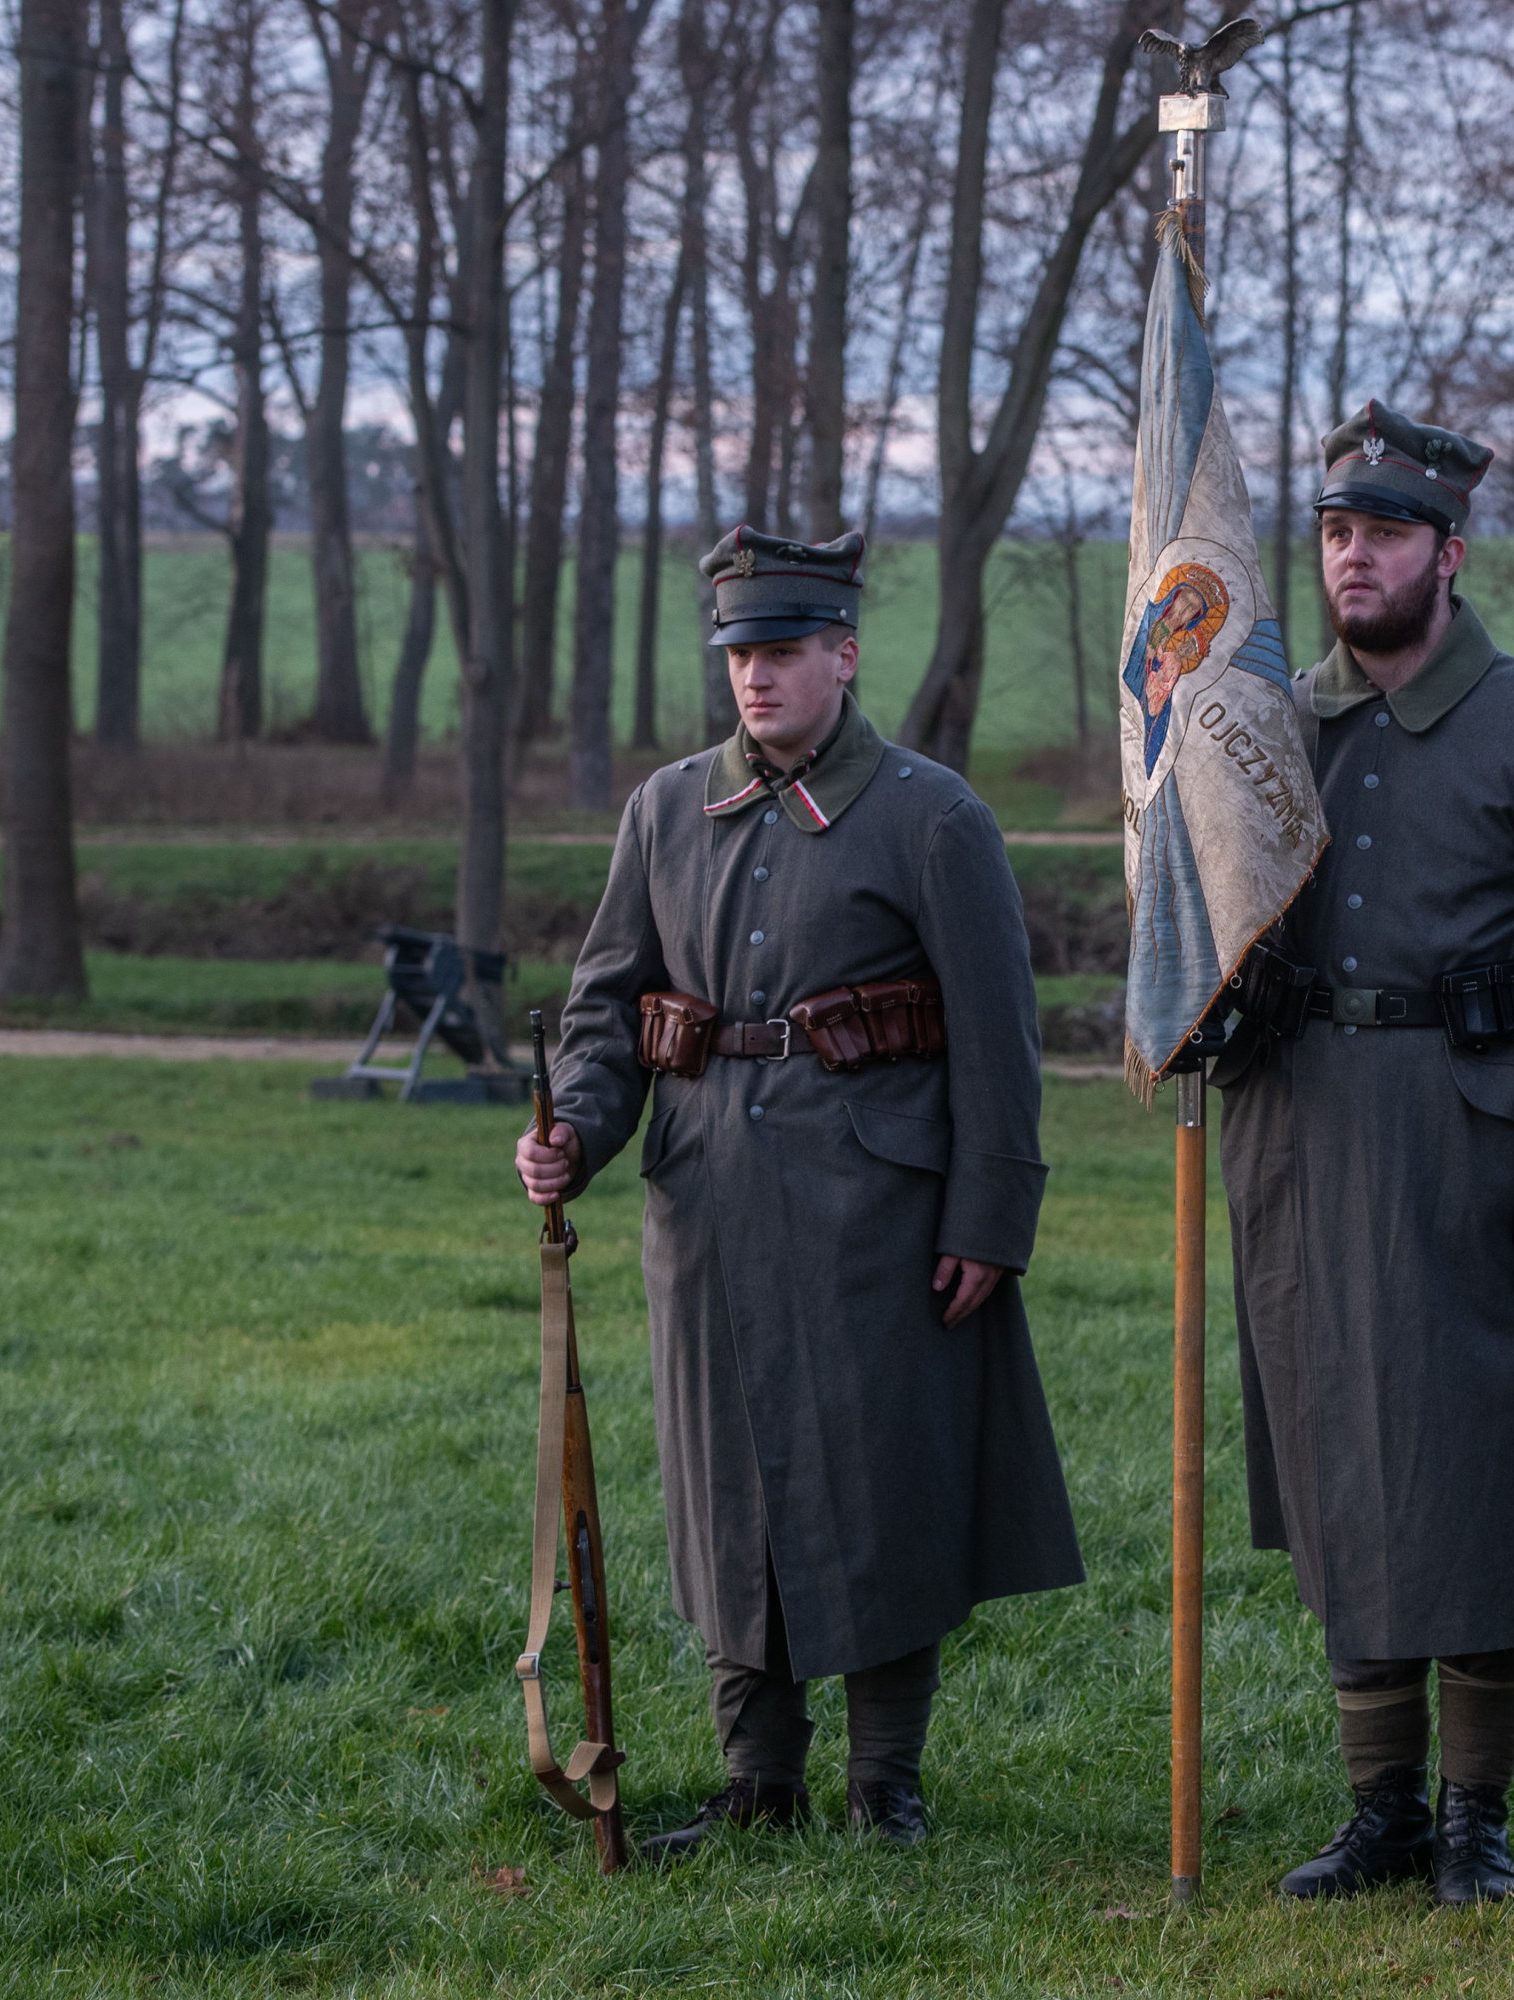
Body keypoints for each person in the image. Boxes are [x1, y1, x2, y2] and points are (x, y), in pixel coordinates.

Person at [513, 526, 1083, 1862]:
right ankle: (756, 1777)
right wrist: (576, 1136)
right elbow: (604, 1015)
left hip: (879, 1211)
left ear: (844, 653)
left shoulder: (933, 815)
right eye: (738, 657)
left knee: (887, 1482)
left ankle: (885, 1782)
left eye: (780, 653)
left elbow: (1000, 1042)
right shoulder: (663, 812)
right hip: (705, 1201)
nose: (755, 680)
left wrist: (989, 1221)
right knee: (728, 1487)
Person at [1211, 403, 1514, 1907]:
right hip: (1302, 1138)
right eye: (1339, 532)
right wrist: (1216, 995)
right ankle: (1382, 1811)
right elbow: (1209, 909)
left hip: (1477, 1152)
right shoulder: (1273, 725)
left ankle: (1476, 1814)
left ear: (1451, 556)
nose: (1356, 558)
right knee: (1342, 1461)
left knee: (1472, 1475)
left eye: (1388, 534)